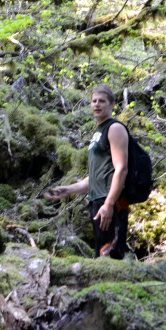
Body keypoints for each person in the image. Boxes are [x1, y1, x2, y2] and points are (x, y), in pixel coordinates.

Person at [44, 85, 129, 258]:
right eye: (94, 101)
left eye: (102, 101)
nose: (97, 104)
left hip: (111, 201)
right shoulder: (98, 133)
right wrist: (69, 190)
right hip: (97, 201)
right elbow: (97, 175)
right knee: (101, 253)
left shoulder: (115, 129)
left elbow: (121, 168)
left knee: (111, 256)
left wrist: (109, 204)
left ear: (112, 105)